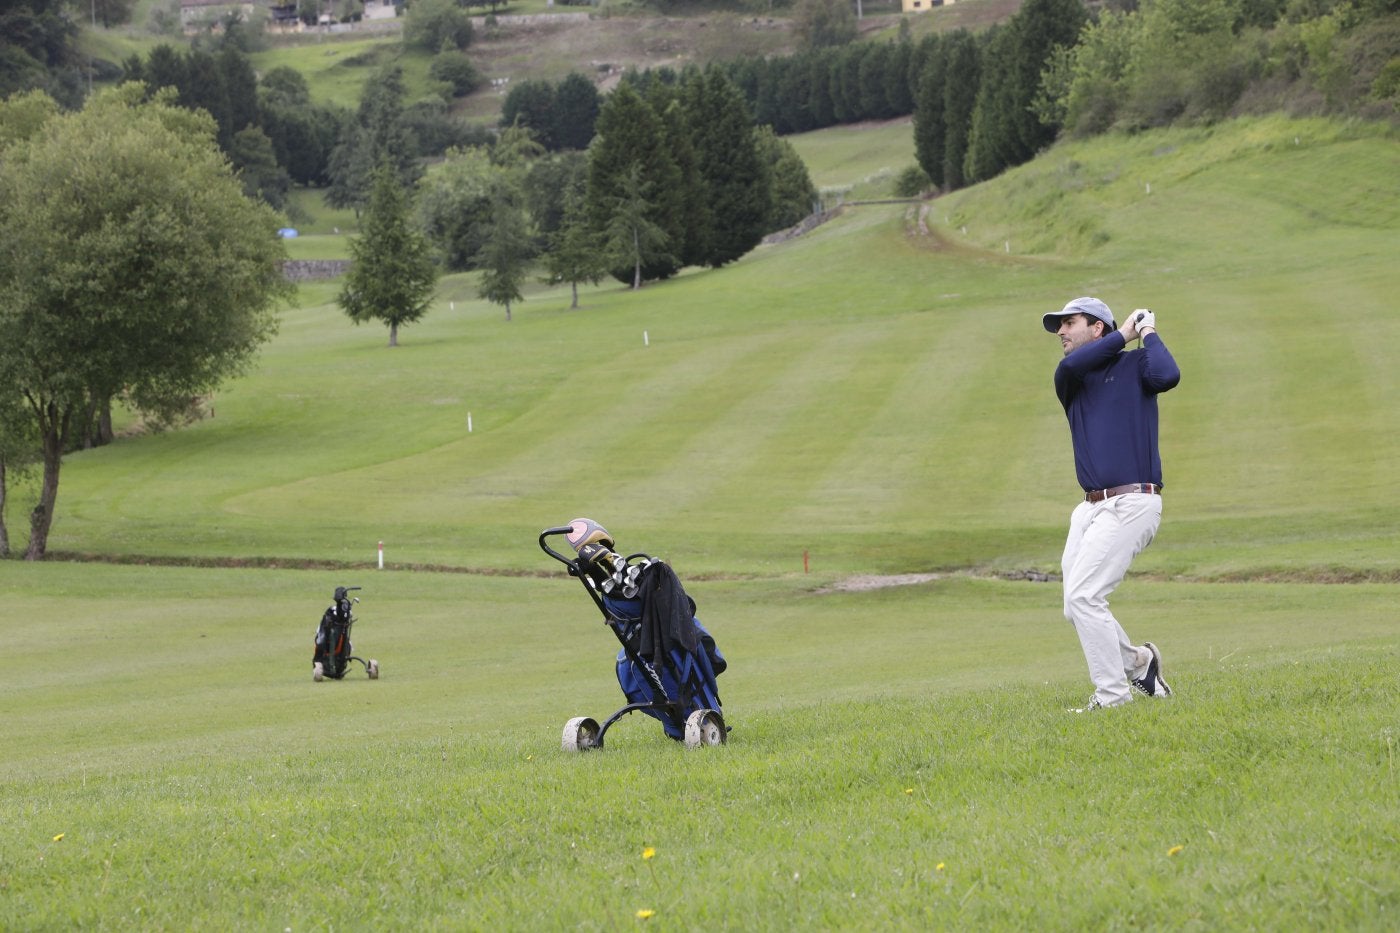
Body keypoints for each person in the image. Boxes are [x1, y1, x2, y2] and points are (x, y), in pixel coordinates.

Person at [1043, 297, 1181, 712]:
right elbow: (1069, 367)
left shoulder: (1136, 366)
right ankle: (1139, 663)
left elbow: (1168, 374)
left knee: (1085, 597)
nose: (1062, 332)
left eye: (1070, 323)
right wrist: (1127, 331)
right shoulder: (1073, 377)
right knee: (1075, 605)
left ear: (1097, 328)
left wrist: (1149, 332)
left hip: (1134, 501)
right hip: (1088, 510)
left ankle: (1113, 697)